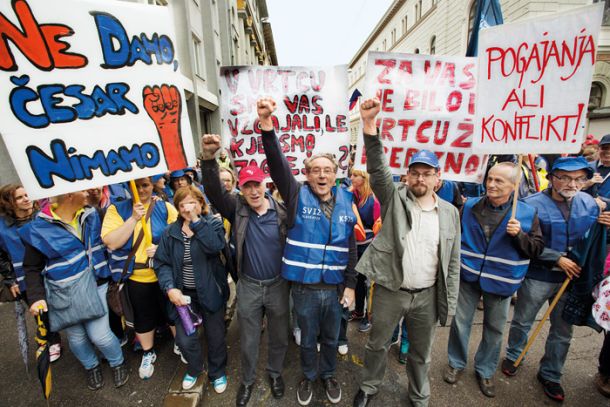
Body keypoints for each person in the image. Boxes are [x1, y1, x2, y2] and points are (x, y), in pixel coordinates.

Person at [352, 98, 461, 407]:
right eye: (415, 172)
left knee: (421, 352)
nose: (420, 178)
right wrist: (370, 127)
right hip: (391, 290)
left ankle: (419, 394)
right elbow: (377, 166)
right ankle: (369, 387)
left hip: (427, 295)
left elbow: (453, 263)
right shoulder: (394, 199)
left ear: (438, 178)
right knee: (377, 344)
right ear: (407, 176)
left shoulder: (451, 213)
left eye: (427, 173)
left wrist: (448, 304)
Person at [257, 97, 357, 406]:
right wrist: (267, 126)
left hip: (336, 288)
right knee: (307, 339)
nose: (323, 176)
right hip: (304, 289)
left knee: (331, 338)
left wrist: (351, 285)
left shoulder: (345, 199)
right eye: (316, 171)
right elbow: (277, 164)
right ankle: (309, 376)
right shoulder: (296, 193)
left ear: (335, 174)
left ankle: (328, 375)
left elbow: (350, 246)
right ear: (307, 173)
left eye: (328, 170)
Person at [502, 157, 606, 402]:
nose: (573, 183)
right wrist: (556, 258)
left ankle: (551, 374)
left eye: (579, 178)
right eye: (566, 178)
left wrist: (606, 224)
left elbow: (595, 237)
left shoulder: (591, 204)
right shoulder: (530, 204)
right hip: (539, 275)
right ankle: (514, 355)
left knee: (562, 330)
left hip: (572, 280)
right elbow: (523, 241)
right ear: (552, 178)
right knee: (522, 321)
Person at [200, 134, 289, 406]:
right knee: (249, 340)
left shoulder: (283, 212)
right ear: (240, 188)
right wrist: (208, 158)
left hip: (278, 285)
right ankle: (248, 381)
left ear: (265, 185)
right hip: (249, 285)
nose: (253, 191)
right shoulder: (237, 209)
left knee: (279, 335)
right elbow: (214, 191)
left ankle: (275, 373)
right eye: (247, 186)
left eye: (256, 185)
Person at [443, 162, 545, 398]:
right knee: (460, 322)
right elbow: (453, 236)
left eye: (499, 181)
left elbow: (536, 250)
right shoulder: (468, 206)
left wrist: (519, 234)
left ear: (514, 185)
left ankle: (485, 370)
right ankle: (456, 363)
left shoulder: (527, 214)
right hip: (468, 276)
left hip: (501, 281)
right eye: (490, 178)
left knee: (495, 328)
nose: (491, 184)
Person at [20, 190, 128, 390]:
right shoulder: (37, 229)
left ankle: (117, 362)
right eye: (82, 191)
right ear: (69, 195)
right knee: (77, 339)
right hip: (64, 293)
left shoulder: (93, 214)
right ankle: (91, 366)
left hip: (97, 284)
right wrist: (36, 298)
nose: (87, 193)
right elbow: (32, 267)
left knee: (101, 336)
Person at [154, 185, 229, 393]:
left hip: (210, 290)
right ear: (177, 208)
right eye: (182, 204)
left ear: (201, 203)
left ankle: (217, 372)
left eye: (192, 202)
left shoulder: (213, 223)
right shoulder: (170, 232)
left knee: (215, 336)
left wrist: (196, 220)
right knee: (185, 339)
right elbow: (162, 263)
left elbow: (215, 246)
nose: (187, 208)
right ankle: (195, 368)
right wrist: (170, 288)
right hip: (183, 296)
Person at [101, 177, 178, 380]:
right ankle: (147, 352)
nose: (141, 190)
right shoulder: (116, 210)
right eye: (135, 186)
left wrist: (161, 250)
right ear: (128, 187)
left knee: (172, 313)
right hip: (136, 277)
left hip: (164, 274)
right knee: (143, 317)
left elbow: (180, 238)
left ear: (152, 185)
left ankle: (181, 344)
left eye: (145, 185)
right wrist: (134, 218)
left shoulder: (165, 208)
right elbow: (112, 242)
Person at [0, 185, 63, 361]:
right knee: (40, 311)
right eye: (19, 197)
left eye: (27, 195)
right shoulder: (1, 227)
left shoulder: (43, 216)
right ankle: (53, 339)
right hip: (24, 277)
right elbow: (1, 256)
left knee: (61, 302)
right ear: (8, 203)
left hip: (51, 269)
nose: (26, 199)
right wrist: (10, 279)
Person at [345, 169, 380, 337]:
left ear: (363, 178)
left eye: (355, 175)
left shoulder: (373, 200)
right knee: (357, 280)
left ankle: (368, 316)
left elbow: (379, 226)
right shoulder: (352, 194)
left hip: (369, 245)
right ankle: (358, 311)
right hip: (355, 244)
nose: (351, 178)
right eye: (351, 175)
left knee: (368, 283)